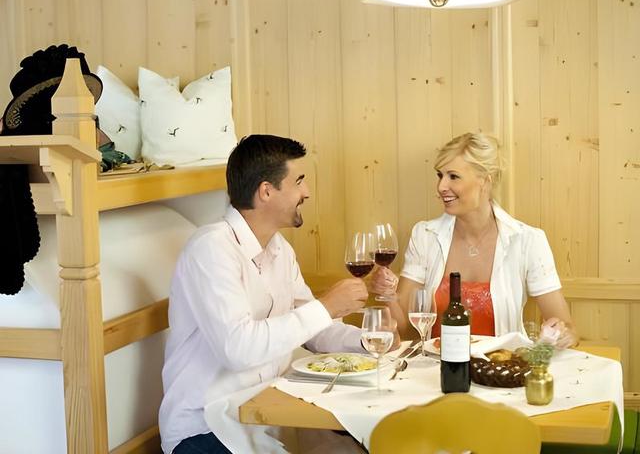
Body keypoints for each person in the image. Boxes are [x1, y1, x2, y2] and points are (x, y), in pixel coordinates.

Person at [159, 134, 382, 454]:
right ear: (266, 191)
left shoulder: (280, 249)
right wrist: (325, 306)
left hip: (264, 416)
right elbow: (238, 349)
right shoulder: (211, 249)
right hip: (206, 427)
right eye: (299, 181)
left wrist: (369, 341)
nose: (306, 192)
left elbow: (315, 330)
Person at [372, 133, 578, 349]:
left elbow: (567, 328)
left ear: (485, 181)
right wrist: (388, 296)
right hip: (438, 365)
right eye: (440, 175)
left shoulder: (527, 240)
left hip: (500, 366)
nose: (441, 186)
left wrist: (562, 335)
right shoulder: (425, 236)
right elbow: (406, 329)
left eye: (453, 176)